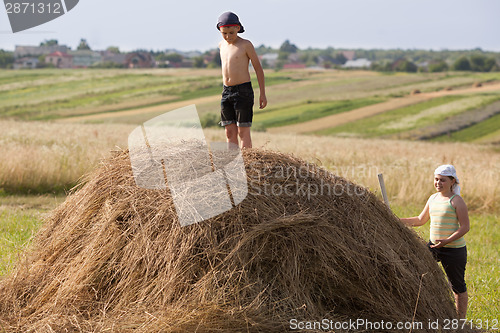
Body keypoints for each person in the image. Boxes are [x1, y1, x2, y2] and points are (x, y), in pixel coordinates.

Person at [400, 165, 470, 319]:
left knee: (457, 286)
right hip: (433, 247)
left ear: (452, 181)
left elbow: (465, 227)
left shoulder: (456, 201)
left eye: (442, 180)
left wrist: (447, 241)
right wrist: (396, 220)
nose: (438, 183)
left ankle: (460, 321)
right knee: (418, 273)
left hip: (453, 250)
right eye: (436, 179)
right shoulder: (433, 198)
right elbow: (420, 220)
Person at [216, 11, 267, 149]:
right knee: (229, 132)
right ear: (220, 30)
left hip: (243, 92)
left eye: (231, 33)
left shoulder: (246, 45)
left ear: (238, 28)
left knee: (242, 132)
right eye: (224, 33)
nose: (228, 36)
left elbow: (258, 69)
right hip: (226, 92)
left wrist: (262, 94)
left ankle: (246, 164)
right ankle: (233, 165)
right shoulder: (221, 45)